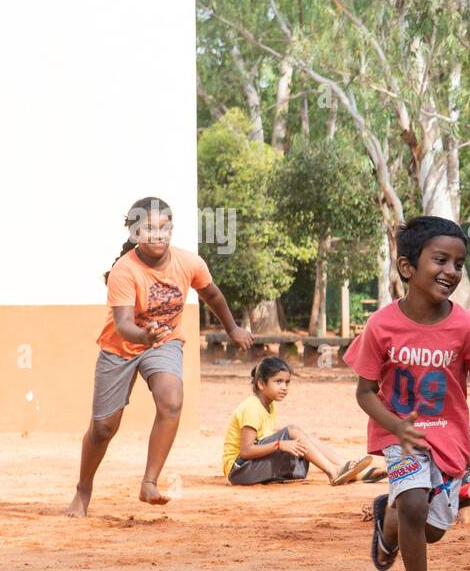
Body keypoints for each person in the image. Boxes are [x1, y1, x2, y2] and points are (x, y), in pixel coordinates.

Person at [344, 216, 470, 571]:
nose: (452, 271)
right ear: (408, 267)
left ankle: (387, 520)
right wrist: (397, 426)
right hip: (401, 435)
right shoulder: (381, 326)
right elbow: (365, 391)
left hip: (448, 437)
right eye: (441, 260)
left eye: (459, 264)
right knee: (413, 503)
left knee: (430, 529)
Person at [67, 197, 252, 517]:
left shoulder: (189, 263)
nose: (157, 234)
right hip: (120, 348)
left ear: (172, 229)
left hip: (163, 342)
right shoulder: (124, 271)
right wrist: (144, 336)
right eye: (149, 228)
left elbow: (213, 295)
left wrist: (233, 328)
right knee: (103, 429)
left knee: (171, 401)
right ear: (136, 232)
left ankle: (149, 483)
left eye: (164, 227)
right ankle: (83, 490)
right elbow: (124, 325)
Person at [221, 356, 371, 486]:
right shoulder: (251, 408)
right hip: (239, 470)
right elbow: (246, 451)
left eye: (287, 382)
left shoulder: (270, 406)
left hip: (250, 467)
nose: (284, 387)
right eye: (278, 382)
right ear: (261, 384)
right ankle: (333, 472)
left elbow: (263, 441)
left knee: (303, 438)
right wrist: (279, 445)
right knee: (292, 431)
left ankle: (346, 467)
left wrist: (283, 444)